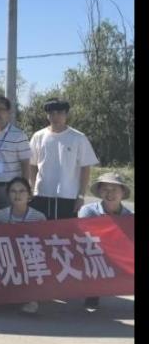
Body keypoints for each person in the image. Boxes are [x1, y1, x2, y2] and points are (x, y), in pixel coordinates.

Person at [28, 98, 99, 220]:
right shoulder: (38, 136)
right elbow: (32, 165)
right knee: (41, 230)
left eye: (59, 113)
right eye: (51, 113)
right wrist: (33, 188)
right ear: (47, 115)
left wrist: (81, 196)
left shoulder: (78, 137)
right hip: (42, 194)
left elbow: (85, 168)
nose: (55, 116)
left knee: (66, 230)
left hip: (68, 196)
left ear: (66, 114)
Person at [78, 172, 134, 312]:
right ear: (99, 192)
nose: (110, 193)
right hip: (95, 253)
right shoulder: (87, 211)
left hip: (120, 256)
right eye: (105, 189)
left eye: (114, 189)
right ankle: (92, 294)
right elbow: (83, 237)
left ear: (122, 192)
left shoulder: (130, 217)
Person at [0, 177, 47, 315]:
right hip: (7, 254)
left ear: (29, 194)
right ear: (8, 195)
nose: (17, 195)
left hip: (29, 255)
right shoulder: (0, 215)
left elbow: (43, 243)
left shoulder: (39, 217)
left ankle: (32, 299)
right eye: (13, 191)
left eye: (22, 191)